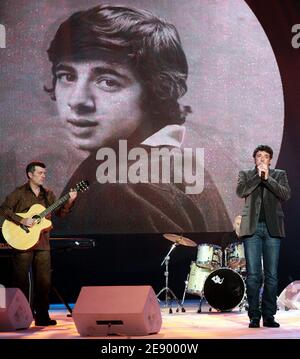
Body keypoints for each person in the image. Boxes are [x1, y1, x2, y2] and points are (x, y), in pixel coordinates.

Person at [44, 3, 231, 235]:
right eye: (67, 76)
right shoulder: (177, 162)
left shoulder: (127, 189)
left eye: (108, 81)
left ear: (155, 91)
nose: (77, 100)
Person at [0, 161, 77, 326]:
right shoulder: (19, 193)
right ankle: (19, 316)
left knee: (44, 281)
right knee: (20, 281)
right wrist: (22, 219)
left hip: (42, 243)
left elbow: (61, 213)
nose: (43, 176)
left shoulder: (48, 194)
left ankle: (42, 317)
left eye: (44, 173)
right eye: (40, 173)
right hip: (22, 241)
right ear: (30, 175)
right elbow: (4, 209)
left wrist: (69, 201)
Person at [236, 145, 291, 328]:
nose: (262, 159)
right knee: (253, 275)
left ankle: (268, 315)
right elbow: (241, 192)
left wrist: (267, 178)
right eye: (259, 156)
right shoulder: (246, 174)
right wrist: (257, 177)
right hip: (252, 228)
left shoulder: (279, 174)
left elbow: (285, 194)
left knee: (272, 275)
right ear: (254, 159)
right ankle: (253, 315)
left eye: (265, 157)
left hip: (272, 228)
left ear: (270, 160)